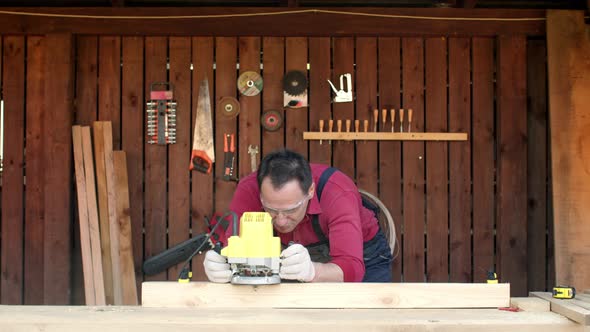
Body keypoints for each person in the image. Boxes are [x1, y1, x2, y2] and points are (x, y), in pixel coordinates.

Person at [204, 148, 392, 283]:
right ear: (260, 195)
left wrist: (313, 272)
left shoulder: (337, 192)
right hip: (289, 257)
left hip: (364, 255)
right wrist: (222, 265)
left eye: (290, 210)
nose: (280, 220)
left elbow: (351, 268)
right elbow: (232, 247)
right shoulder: (248, 190)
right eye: (271, 210)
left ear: (310, 191)